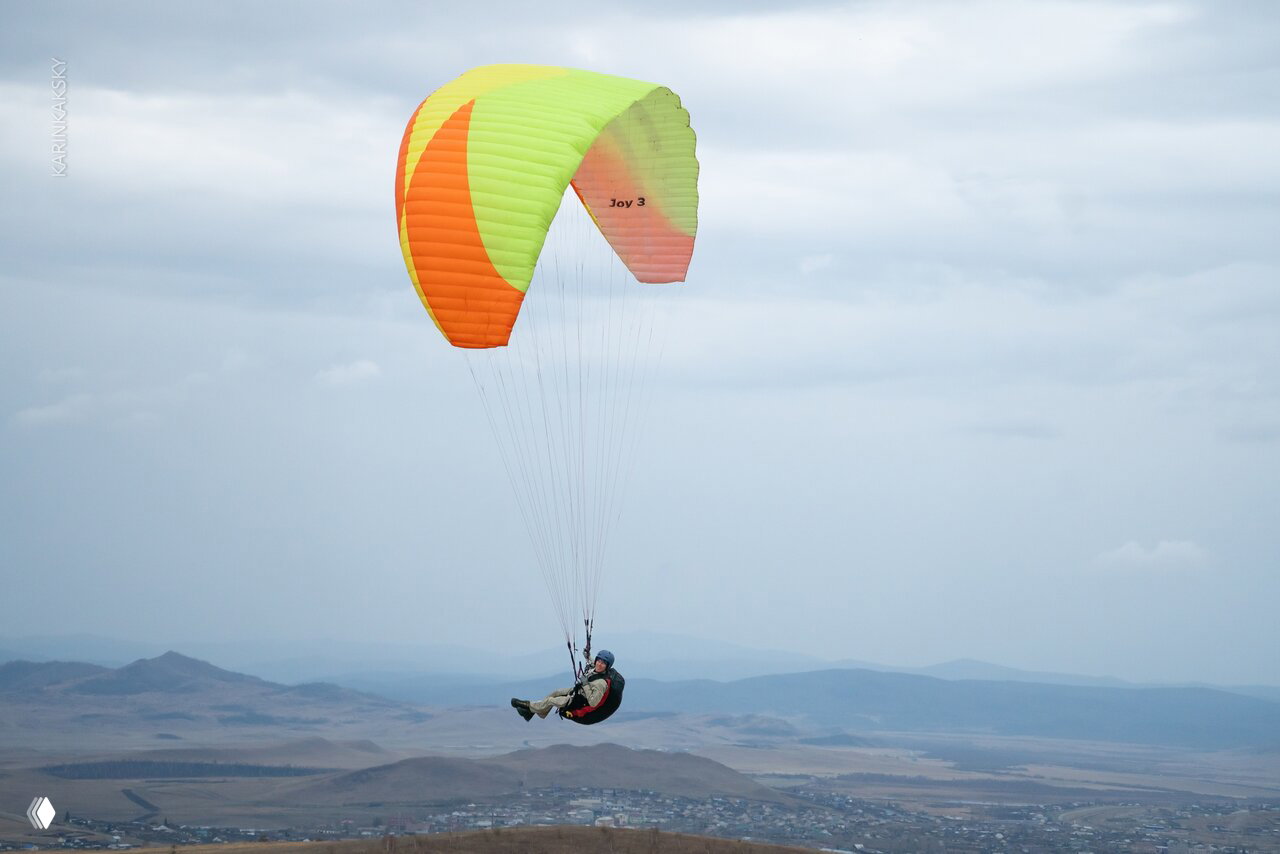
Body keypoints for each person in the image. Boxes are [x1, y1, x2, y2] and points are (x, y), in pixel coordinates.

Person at [511, 649, 625, 725]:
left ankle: (528, 706)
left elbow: (593, 702)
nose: (599, 664)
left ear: (607, 666)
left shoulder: (601, 683)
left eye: (603, 663)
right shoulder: (596, 669)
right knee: (556, 692)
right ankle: (534, 713)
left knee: (551, 701)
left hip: (579, 702)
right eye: (598, 661)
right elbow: (592, 664)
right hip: (578, 692)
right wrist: (588, 656)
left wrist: (585, 684)